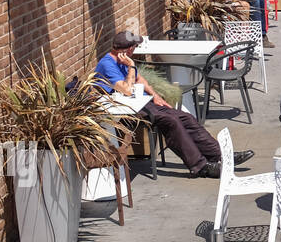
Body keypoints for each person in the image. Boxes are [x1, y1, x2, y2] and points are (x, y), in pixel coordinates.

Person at [94, 31, 252, 178]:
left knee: (186, 117)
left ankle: (221, 155)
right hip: (128, 109)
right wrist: (131, 66)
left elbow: (139, 79)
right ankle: (200, 167)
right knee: (171, 122)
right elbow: (127, 90)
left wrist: (155, 96)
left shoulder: (123, 60)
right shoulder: (109, 64)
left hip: (143, 103)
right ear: (128, 50)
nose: (136, 49)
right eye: (134, 46)